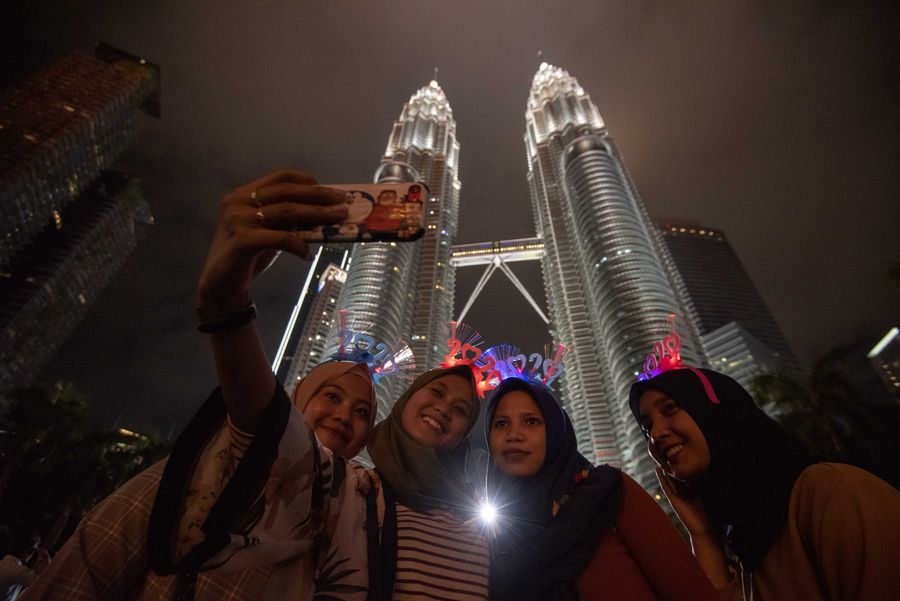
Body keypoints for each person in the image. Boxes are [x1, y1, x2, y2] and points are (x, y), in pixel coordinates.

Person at [630, 367, 900, 600]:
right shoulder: (750, 535)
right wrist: (703, 535)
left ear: (716, 412)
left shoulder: (829, 493)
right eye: (646, 427)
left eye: (670, 408)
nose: (656, 434)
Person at [486, 377, 718, 600]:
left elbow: (691, 591)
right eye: (501, 424)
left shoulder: (608, 494)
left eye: (531, 421)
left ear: (555, 431)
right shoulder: (484, 542)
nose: (513, 435)